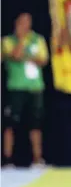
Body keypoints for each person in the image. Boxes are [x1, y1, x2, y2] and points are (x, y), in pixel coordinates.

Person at [1, 12, 48, 168]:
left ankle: (37, 159)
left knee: (35, 124)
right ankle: (8, 160)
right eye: (22, 22)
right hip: (16, 88)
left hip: (35, 88)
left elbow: (43, 59)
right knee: (10, 124)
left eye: (28, 22)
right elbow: (14, 55)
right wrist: (21, 40)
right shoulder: (8, 40)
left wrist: (26, 56)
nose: (25, 25)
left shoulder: (38, 39)